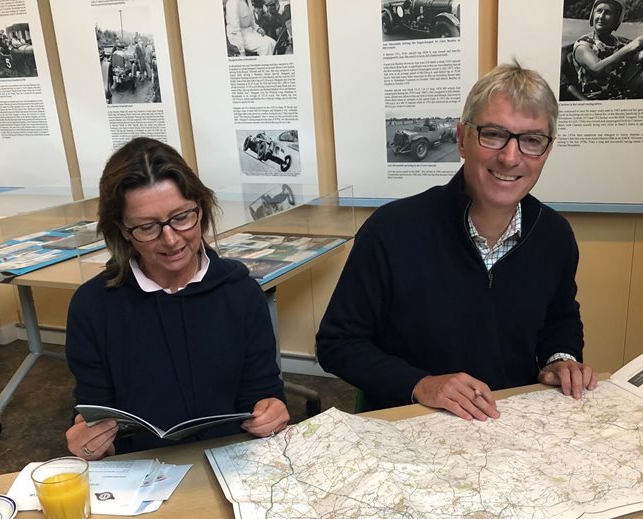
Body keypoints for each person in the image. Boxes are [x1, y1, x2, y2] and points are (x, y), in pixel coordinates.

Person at [316, 61, 595, 420]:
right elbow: (337, 344)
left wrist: (561, 358)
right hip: (412, 425)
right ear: (462, 139)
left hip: (510, 424)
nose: (510, 157)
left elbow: (560, 317)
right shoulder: (391, 230)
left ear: (547, 149)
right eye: (493, 134)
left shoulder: (554, 235)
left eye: (531, 140)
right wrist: (420, 384)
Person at [65, 138, 289, 459]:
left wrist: (272, 411)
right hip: (142, 469)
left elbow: (263, 394)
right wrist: (90, 442)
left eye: (181, 217)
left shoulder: (241, 293)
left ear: (201, 207)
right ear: (123, 231)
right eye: (147, 227)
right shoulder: (92, 307)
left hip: (233, 461)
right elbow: (95, 412)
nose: (171, 240)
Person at [570, 0, 643, 100]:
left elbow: (640, 56)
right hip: (594, 103)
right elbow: (597, 69)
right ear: (592, 15)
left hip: (622, 99)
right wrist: (629, 48)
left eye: (608, 13)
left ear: (616, 19)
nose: (601, 16)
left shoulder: (621, 43)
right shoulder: (583, 44)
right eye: (599, 11)